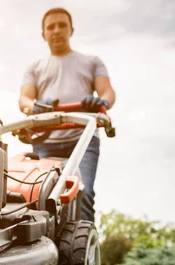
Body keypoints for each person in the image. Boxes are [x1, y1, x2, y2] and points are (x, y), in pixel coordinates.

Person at [18, 7, 116, 223]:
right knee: (40, 196)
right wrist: (33, 106)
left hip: (82, 139)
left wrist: (102, 102)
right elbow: (24, 100)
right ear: (43, 34)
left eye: (62, 25)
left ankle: (84, 250)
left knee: (83, 192)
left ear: (71, 29)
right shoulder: (35, 68)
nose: (56, 30)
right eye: (50, 27)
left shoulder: (92, 62)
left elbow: (108, 92)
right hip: (46, 142)